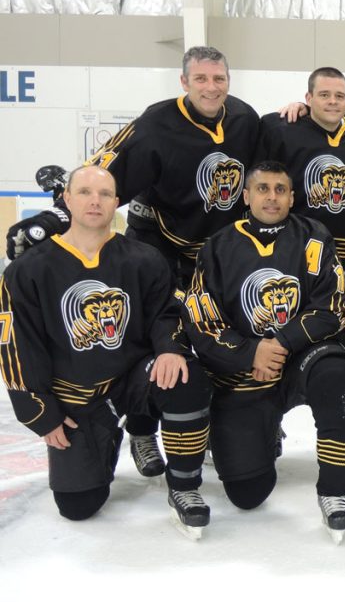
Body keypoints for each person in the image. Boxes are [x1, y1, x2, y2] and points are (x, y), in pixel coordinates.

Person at [6, 46, 261, 478]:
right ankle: (142, 430)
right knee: (150, 337)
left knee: (228, 334)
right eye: (200, 78)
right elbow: (100, 173)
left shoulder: (246, 119)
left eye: (218, 78)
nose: (211, 87)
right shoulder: (155, 123)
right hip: (158, 247)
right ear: (184, 82)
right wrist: (51, 219)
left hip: (217, 253)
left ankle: (229, 424)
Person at [0, 166, 212, 533]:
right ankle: (104, 437)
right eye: (84, 192)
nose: (94, 201)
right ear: (66, 199)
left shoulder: (144, 258)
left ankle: (184, 486)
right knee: (77, 505)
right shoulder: (29, 269)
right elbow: (17, 343)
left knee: (185, 377)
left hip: (131, 379)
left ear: (117, 202)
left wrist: (169, 349)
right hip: (75, 398)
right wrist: (39, 410)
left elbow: (166, 312)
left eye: (104, 194)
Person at [182, 161, 345, 543]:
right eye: (262, 189)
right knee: (247, 495)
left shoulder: (314, 236)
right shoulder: (218, 247)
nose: (272, 196)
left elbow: (336, 304)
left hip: (300, 359)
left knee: (338, 377)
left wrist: (280, 344)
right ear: (246, 196)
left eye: (280, 189)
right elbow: (202, 319)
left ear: (292, 197)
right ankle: (264, 432)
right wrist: (251, 353)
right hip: (243, 370)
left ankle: (334, 492)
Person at [258, 67, 345, 286]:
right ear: (308, 98)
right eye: (324, 95)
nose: (332, 101)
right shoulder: (282, 130)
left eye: (339, 96)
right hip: (294, 247)